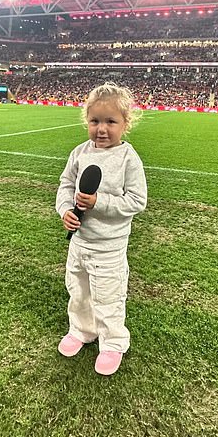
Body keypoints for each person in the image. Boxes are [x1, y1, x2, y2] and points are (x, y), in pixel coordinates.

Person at [55, 82, 147, 376]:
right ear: (87, 121)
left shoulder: (128, 158)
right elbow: (66, 185)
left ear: (125, 124)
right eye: (95, 121)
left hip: (109, 247)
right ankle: (82, 330)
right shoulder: (80, 153)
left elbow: (137, 201)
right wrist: (65, 210)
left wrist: (99, 202)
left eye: (111, 121)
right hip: (79, 243)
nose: (102, 129)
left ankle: (113, 343)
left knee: (108, 297)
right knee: (78, 291)